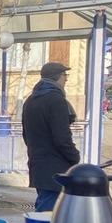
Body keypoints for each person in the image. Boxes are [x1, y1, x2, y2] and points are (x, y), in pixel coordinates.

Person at [22, 62, 81, 212]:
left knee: (44, 206)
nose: (66, 79)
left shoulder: (30, 100)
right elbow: (62, 138)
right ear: (57, 77)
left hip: (38, 163)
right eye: (64, 75)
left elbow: (25, 135)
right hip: (55, 167)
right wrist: (75, 157)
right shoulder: (56, 100)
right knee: (49, 212)